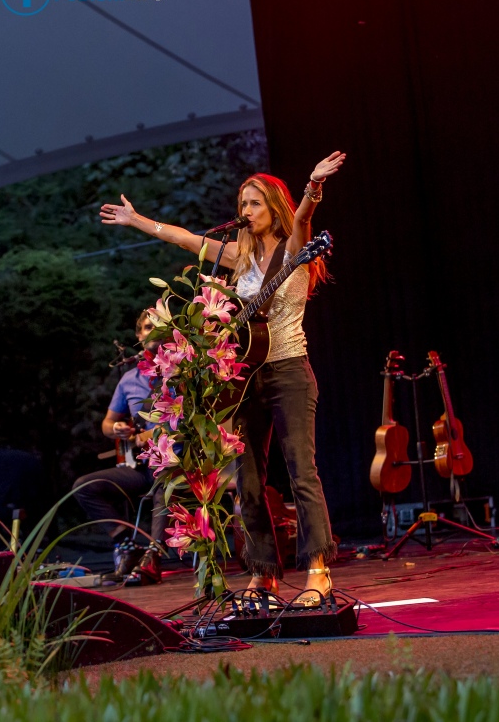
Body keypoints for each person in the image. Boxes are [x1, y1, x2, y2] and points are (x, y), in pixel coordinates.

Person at [100, 150, 346, 604]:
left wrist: (313, 186)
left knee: (301, 472)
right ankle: (263, 573)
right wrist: (136, 221)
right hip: (245, 377)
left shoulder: (295, 246)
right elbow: (186, 240)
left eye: (253, 203)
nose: (245, 212)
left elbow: (305, 219)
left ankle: (317, 569)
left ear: (274, 206)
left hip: (290, 370)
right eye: (241, 204)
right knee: (246, 479)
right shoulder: (237, 255)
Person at [73, 310, 166, 584]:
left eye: (159, 327)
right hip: (140, 467)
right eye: (148, 327)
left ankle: (154, 556)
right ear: (139, 335)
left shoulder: (180, 371)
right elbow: (107, 423)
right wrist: (117, 429)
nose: (152, 332)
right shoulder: (129, 380)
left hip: (173, 461)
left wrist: (147, 435)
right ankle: (127, 545)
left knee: (165, 477)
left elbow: (182, 421)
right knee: (84, 486)